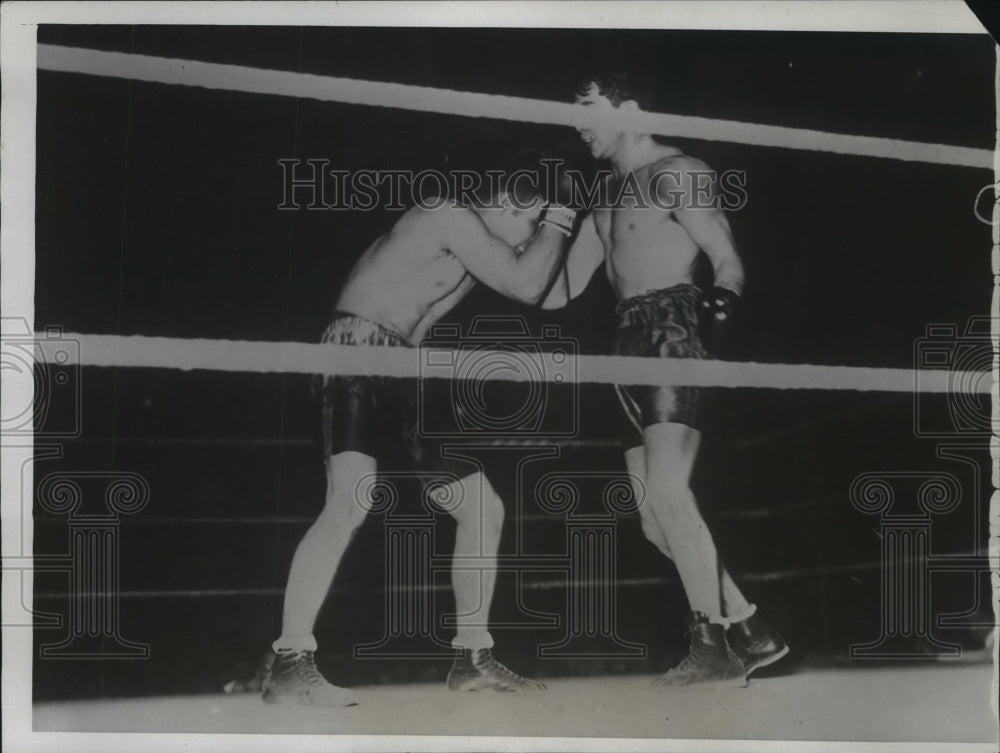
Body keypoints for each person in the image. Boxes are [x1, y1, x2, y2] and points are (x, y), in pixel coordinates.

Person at [264, 182, 577, 706]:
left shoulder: (474, 252)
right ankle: (290, 661)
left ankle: (473, 658)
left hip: (402, 370)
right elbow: (527, 284)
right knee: (350, 500)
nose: (529, 241)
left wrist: (580, 225)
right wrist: (562, 214)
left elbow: (551, 291)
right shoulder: (448, 213)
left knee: (482, 507)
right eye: (529, 226)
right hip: (358, 351)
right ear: (510, 202)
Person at [542, 74, 788, 688]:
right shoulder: (603, 195)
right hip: (623, 345)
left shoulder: (676, 170)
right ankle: (749, 628)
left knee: (671, 495)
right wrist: (538, 227)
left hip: (671, 329)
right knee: (654, 518)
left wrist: (722, 304)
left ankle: (711, 645)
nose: (579, 125)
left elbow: (726, 257)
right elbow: (559, 291)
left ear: (628, 106)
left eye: (587, 110)